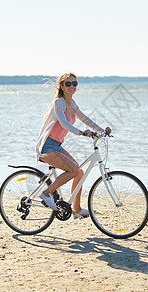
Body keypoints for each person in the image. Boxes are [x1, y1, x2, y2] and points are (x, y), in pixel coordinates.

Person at [36, 72, 111, 218]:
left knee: (79, 172)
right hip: (47, 146)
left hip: (57, 145)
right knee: (74, 170)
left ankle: (76, 208)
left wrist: (102, 131)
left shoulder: (72, 104)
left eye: (74, 83)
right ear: (62, 86)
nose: (72, 86)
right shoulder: (59, 103)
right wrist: (81, 133)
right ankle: (47, 193)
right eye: (68, 84)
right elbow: (64, 123)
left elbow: (86, 119)